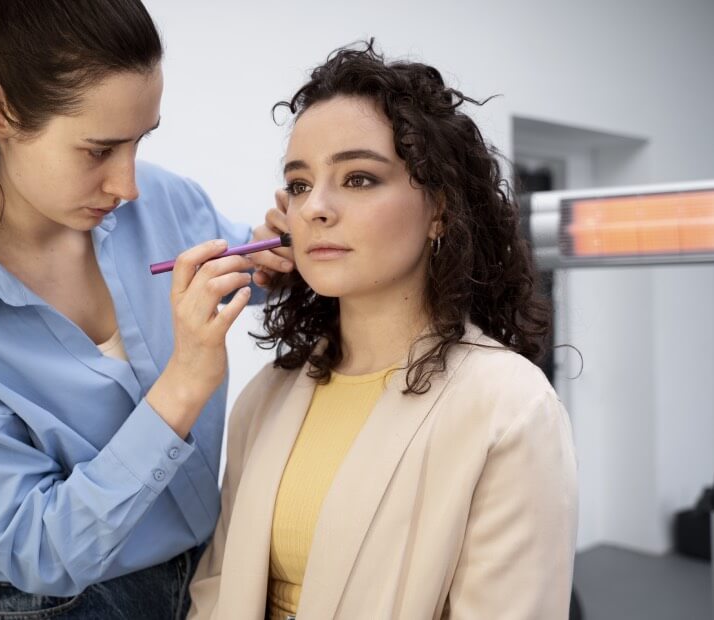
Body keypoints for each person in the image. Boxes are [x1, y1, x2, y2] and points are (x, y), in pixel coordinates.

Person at [0, 1, 291, 618]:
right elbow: (36, 552)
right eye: (98, 151)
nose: (128, 186)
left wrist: (288, 250)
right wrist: (180, 390)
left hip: (209, 574)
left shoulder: (162, 201)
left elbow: (241, 271)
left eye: (139, 143)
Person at [187, 41, 578, 620]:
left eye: (359, 179)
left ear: (440, 209)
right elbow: (216, 591)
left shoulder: (510, 407)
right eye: (298, 185)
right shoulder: (265, 397)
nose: (316, 207)